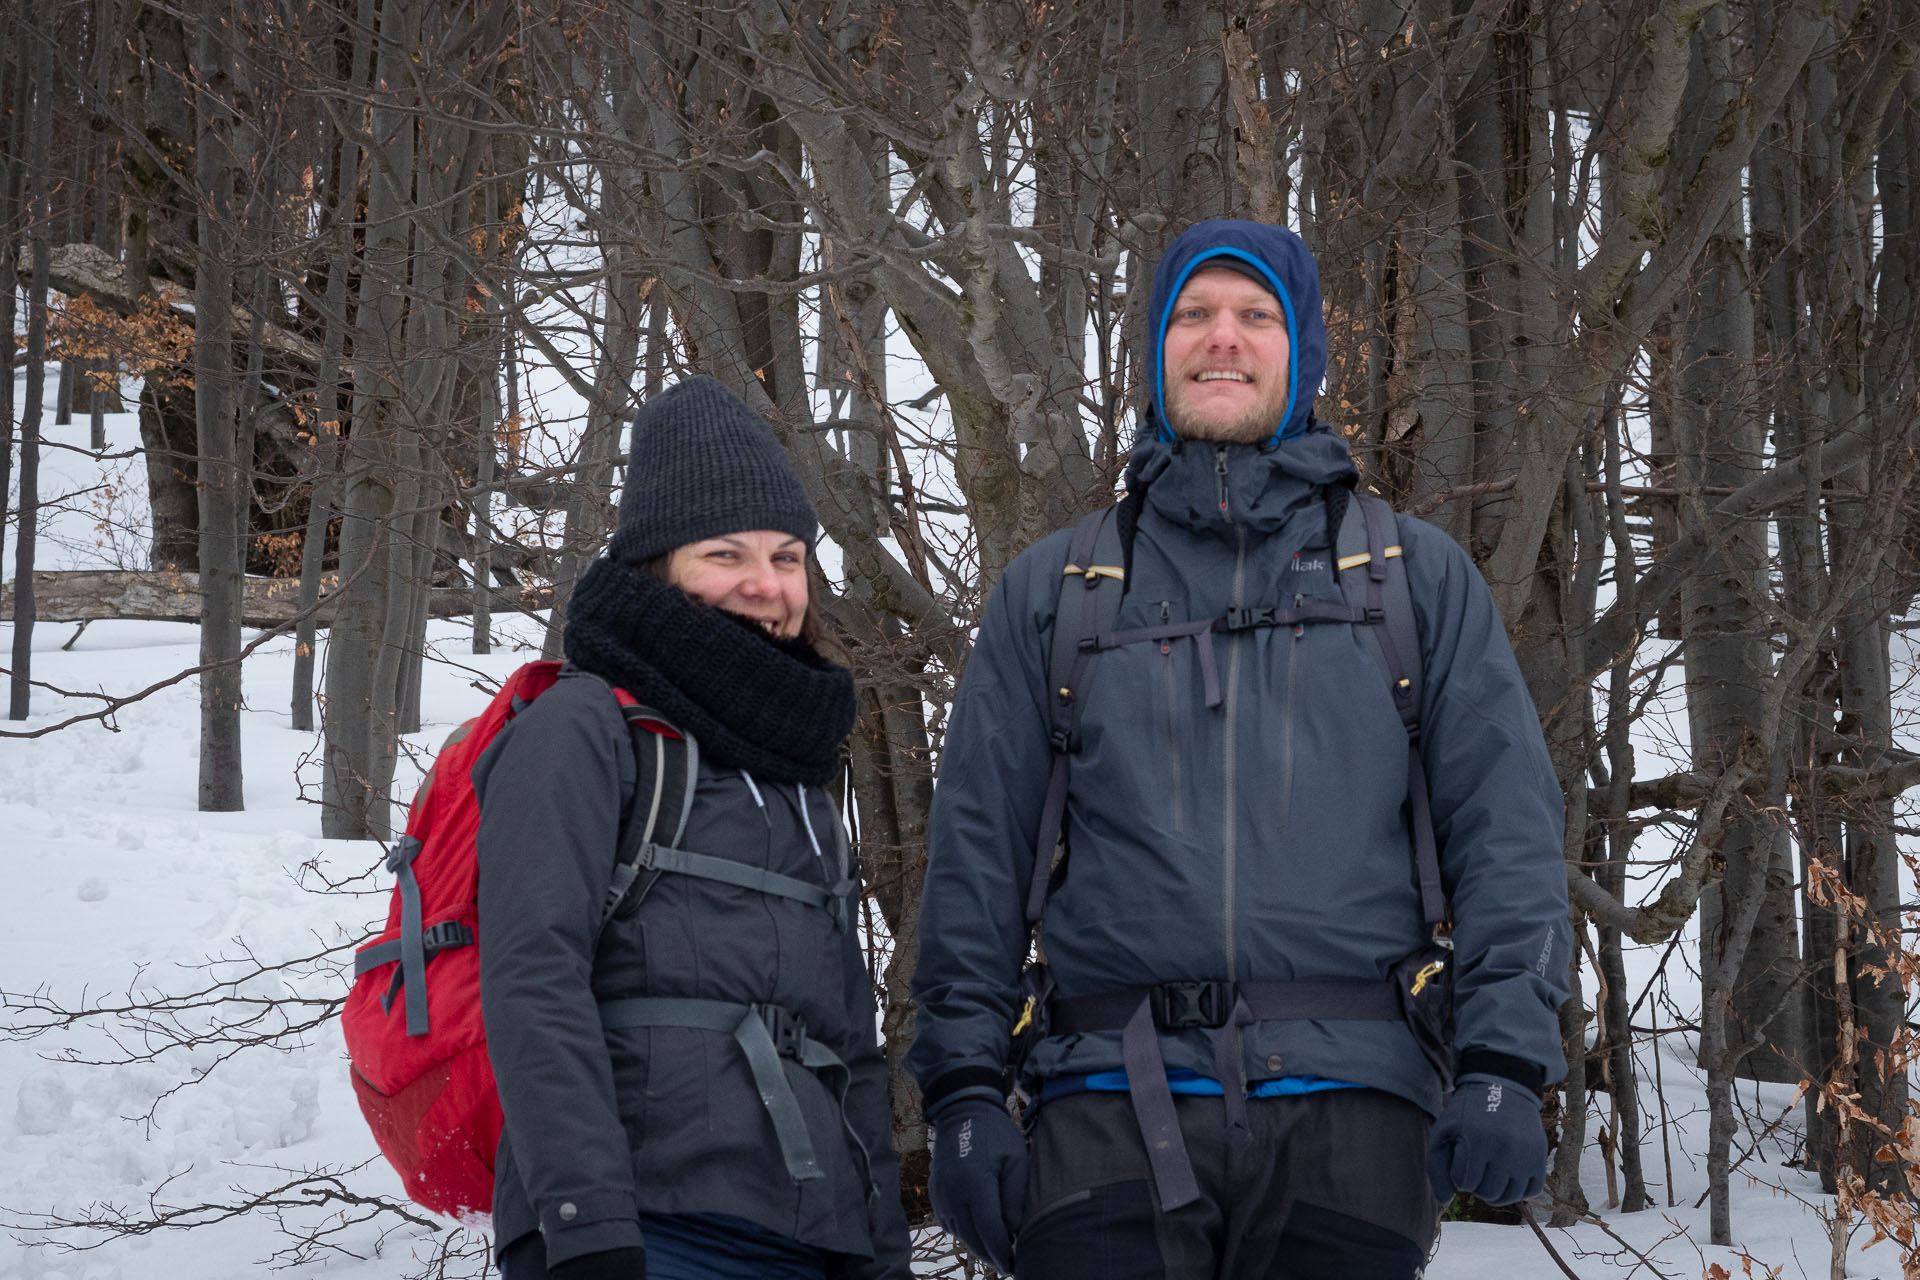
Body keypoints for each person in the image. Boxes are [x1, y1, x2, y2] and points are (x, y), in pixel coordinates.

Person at [907, 219, 1572, 1279]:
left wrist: (1503, 1058)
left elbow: (1509, 837)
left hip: (1353, 1107)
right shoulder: (1059, 590)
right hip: (1101, 1106)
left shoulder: (1411, 576)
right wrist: (962, 1090)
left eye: (1255, 315)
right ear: (1153, 351)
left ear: (1300, 349)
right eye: (1194, 314)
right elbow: (976, 859)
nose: (1223, 338)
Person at [475, 376, 912, 1280]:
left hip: (813, 1237)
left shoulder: (798, 768)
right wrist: (586, 1227)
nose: (765, 585)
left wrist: (880, 1255)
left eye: (788, 559)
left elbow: (850, 1039)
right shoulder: (583, 726)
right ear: (657, 567)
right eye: (726, 555)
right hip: (644, 1227)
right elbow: (532, 977)